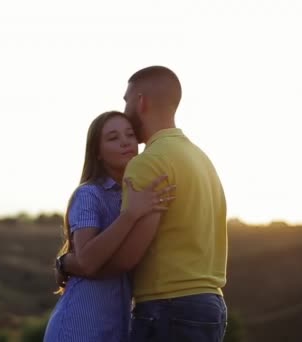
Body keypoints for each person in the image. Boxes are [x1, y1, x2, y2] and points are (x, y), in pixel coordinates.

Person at [61, 66, 229, 342]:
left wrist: (71, 264)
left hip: (168, 308)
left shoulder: (148, 162)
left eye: (126, 101)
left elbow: (126, 258)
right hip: (211, 307)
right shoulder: (200, 158)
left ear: (141, 101)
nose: (125, 109)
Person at [43, 111, 175, 342]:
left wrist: (63, 263)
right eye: (113, 138)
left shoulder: (139, 193)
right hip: (79, 328)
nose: (125, 141)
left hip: (117, 328)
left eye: (130, 135)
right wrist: (130, 214)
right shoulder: (89, 194)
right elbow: (86, 260)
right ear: (98, 152)